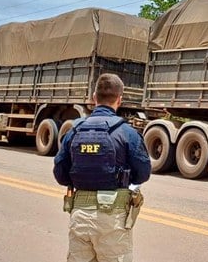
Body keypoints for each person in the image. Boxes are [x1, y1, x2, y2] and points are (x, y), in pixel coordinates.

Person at [54, 73, 151, 262]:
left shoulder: (75, 130)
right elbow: (143, 173)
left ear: (93, 98)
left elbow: (60, 173)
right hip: (112, 219)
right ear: (119, 100)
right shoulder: (127, 133)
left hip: (80, 216)